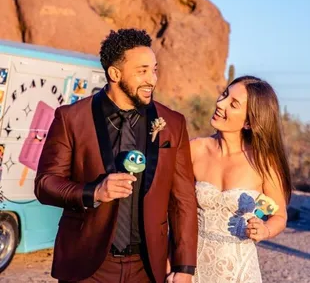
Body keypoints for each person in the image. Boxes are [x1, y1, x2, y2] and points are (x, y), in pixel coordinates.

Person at [34, 28, 198, 283]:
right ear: (114, 73)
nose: (152, 79)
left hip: (147, 268)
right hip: (87, 267)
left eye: (154, 70)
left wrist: (185, 266)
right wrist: (93, 192)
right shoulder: (72, 118)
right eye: (142, 71)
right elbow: (45, 184)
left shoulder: (173, 124)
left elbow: (184, 200)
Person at [190, 76, 291, 283]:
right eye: (224, 95)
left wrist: (265, 230)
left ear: (249, 122)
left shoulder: (264, 162)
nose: (220, 103)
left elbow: (279, 216)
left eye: (233, 104)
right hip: (193, 269)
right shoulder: (195, 149)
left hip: (239, 272)